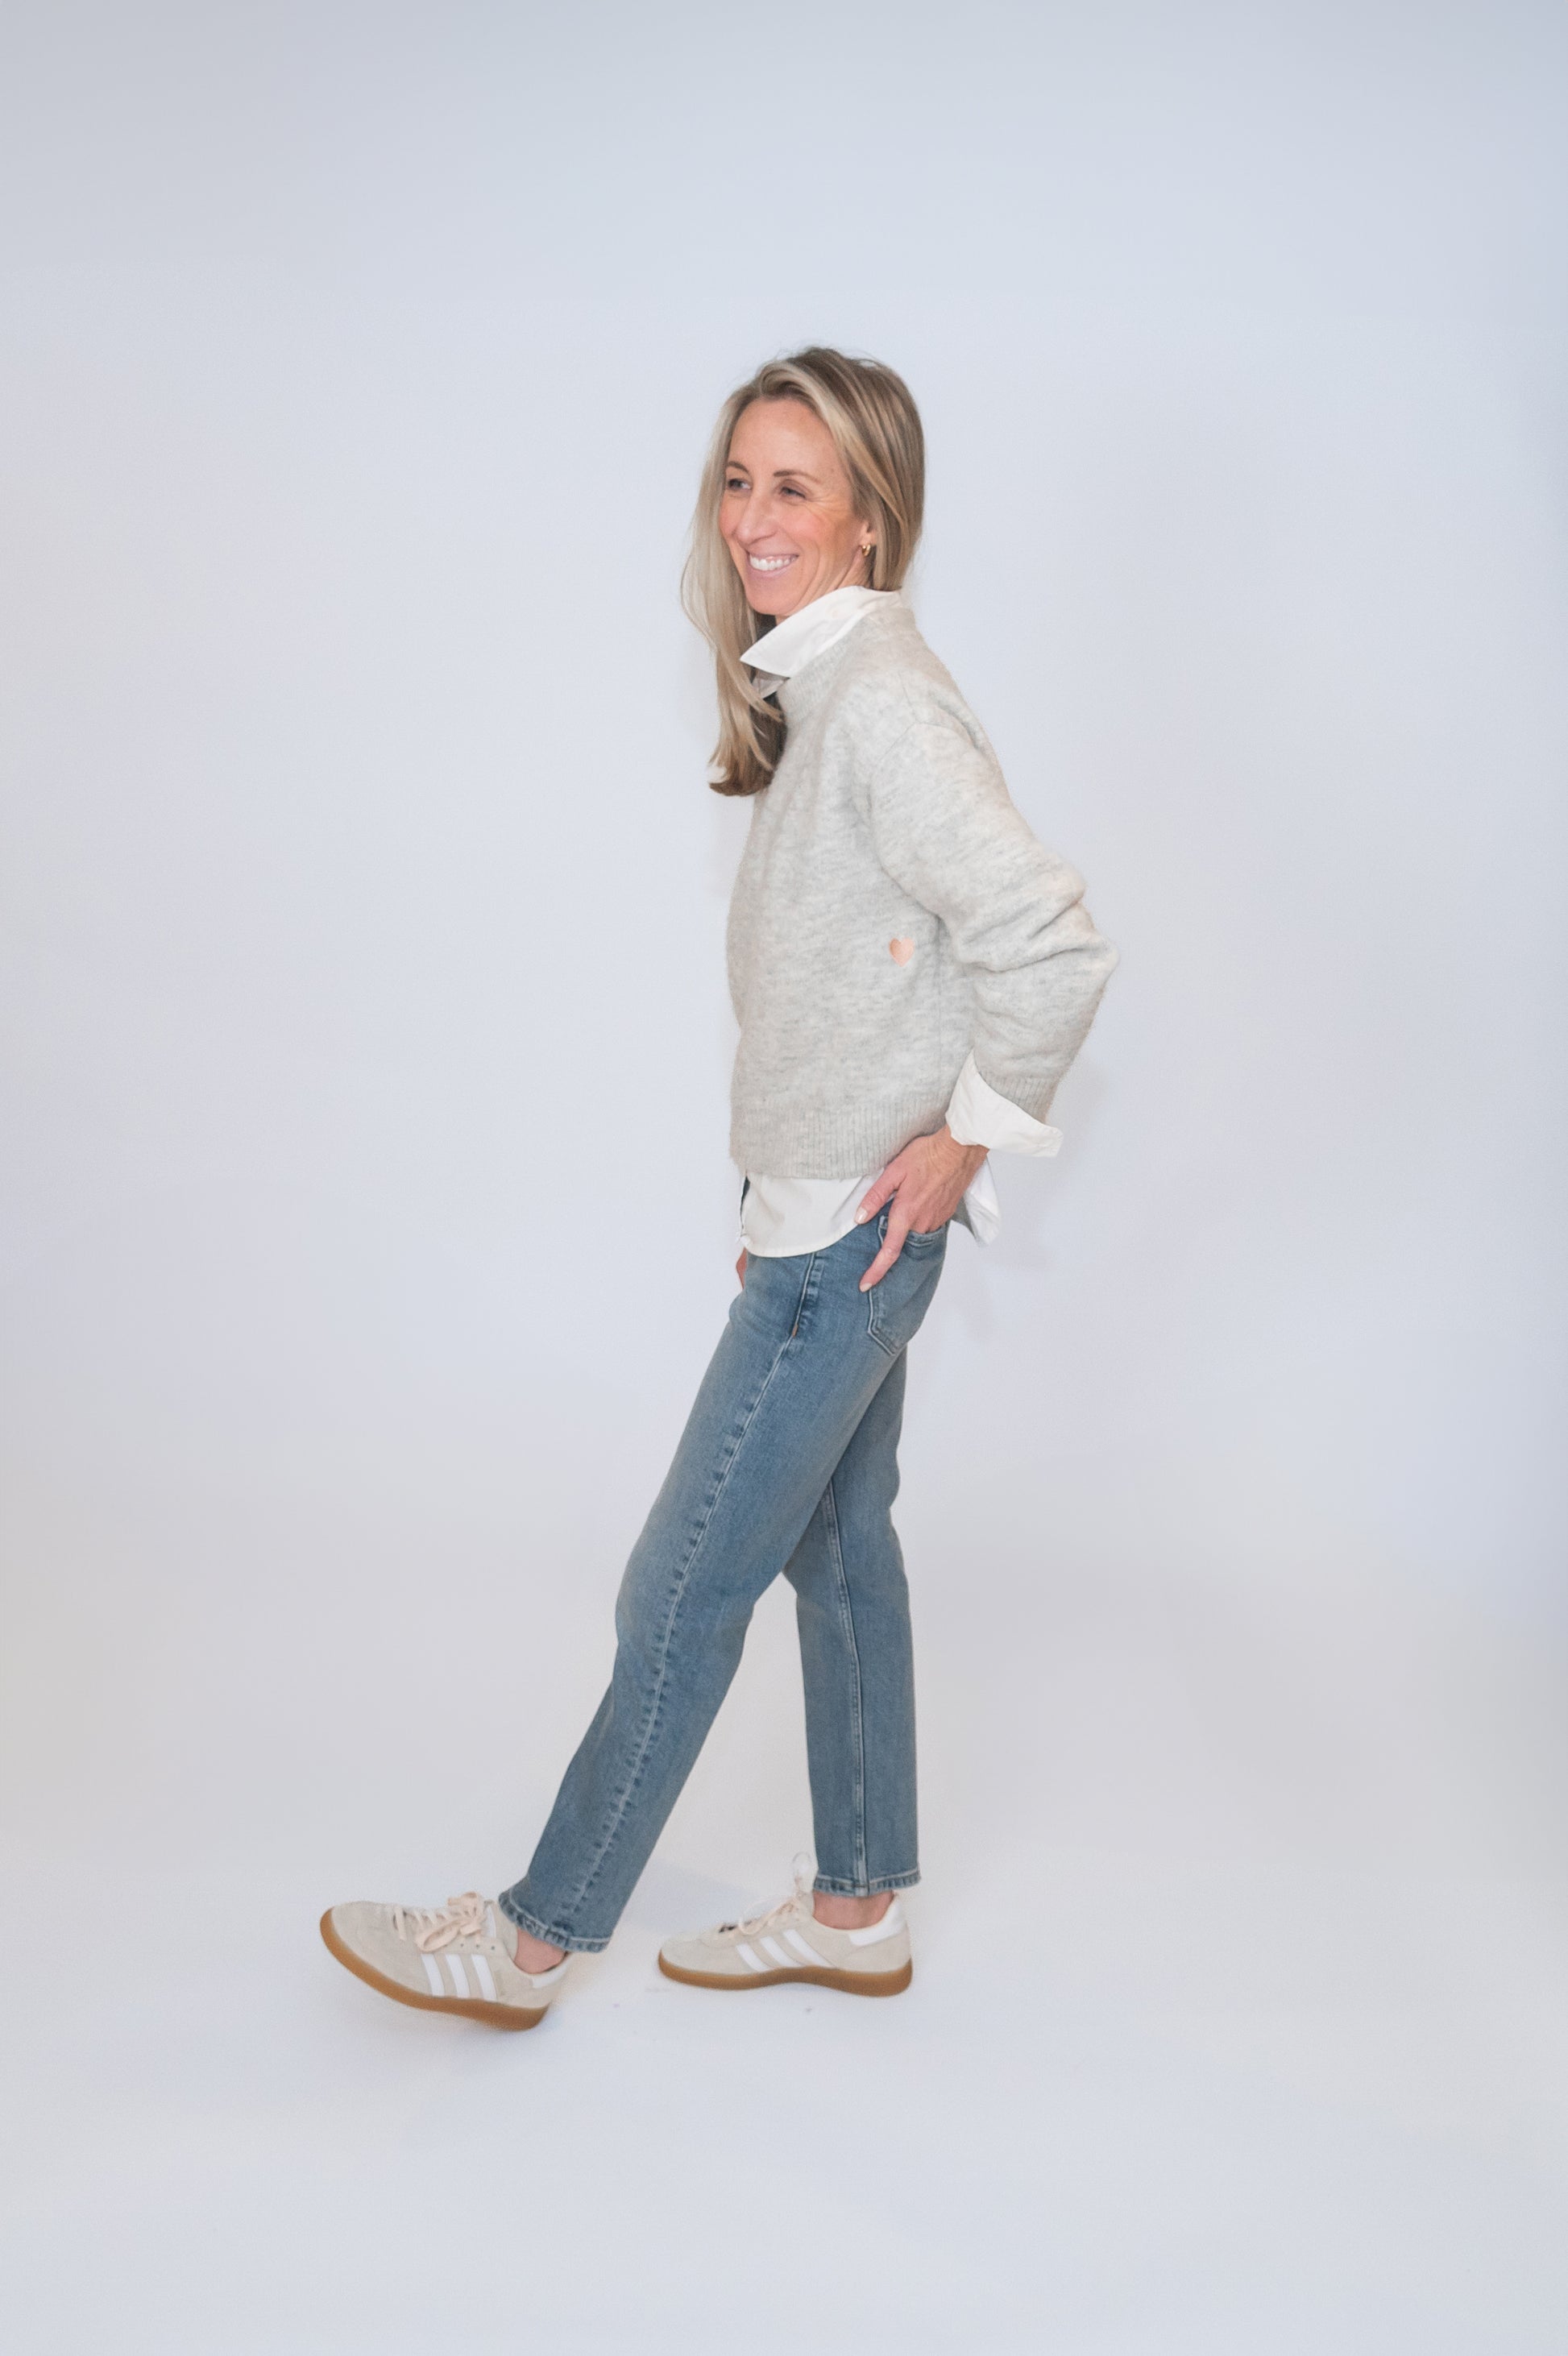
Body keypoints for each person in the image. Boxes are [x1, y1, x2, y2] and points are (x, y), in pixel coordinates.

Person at [321, 346, 1117, 2030]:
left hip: (850, 1234)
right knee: (837, 1554)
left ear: (868, 517)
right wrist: (780, 1173)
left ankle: (534, 1939)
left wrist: (962, 1133)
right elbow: (862, 974)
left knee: (679, 1588)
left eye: (795, 487)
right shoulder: (821, 683)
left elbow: (1046, 936)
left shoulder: (884, 699)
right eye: (739, 482)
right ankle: (856, 1907)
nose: (755, 519)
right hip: (814, 1214)